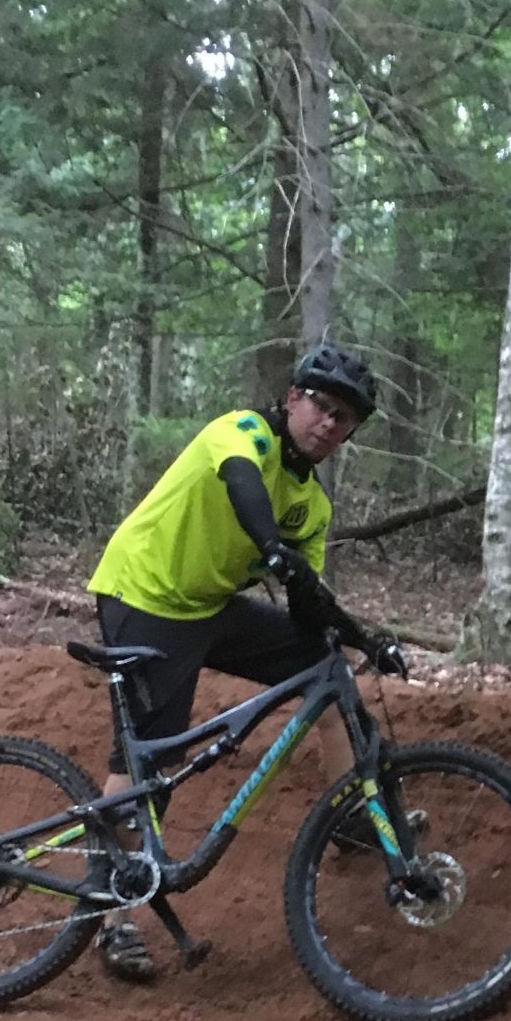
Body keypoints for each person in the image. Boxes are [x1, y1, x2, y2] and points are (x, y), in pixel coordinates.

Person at [85, 341, 392, 981]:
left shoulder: (314, 506)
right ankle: (110, 915)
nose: (328, 423)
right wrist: (272, 548)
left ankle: (350, 819)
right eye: (321, 406)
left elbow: (308, 603)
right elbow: (243, 486)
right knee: (150, 758)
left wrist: (359, 636)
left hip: (208, 605)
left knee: (323, 664)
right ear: (293, 398)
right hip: (143, 592)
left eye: (344, 419)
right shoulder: (242, 433)